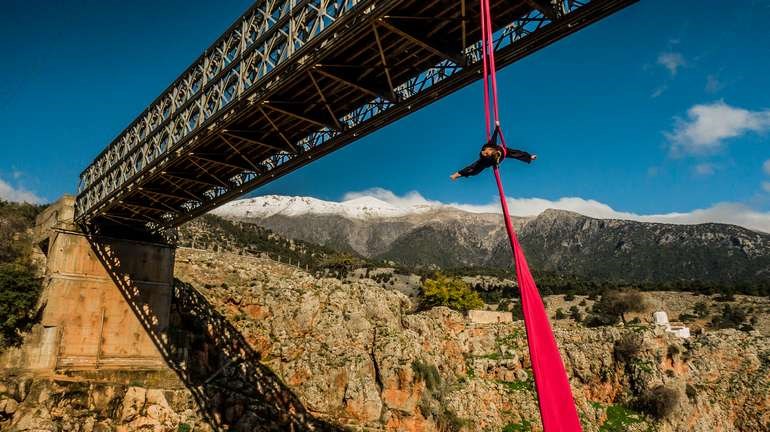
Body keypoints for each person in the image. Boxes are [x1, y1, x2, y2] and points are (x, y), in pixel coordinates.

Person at [450, 138, 536, 180]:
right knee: (474, 168)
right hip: (488, 160)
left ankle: (461, 174)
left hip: (494, 159)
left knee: (475, 171)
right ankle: (459, 174)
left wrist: (529, 157)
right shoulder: (489, 149)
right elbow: (494, 136)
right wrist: (497, 127)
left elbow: (517, 153)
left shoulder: (499, 152)